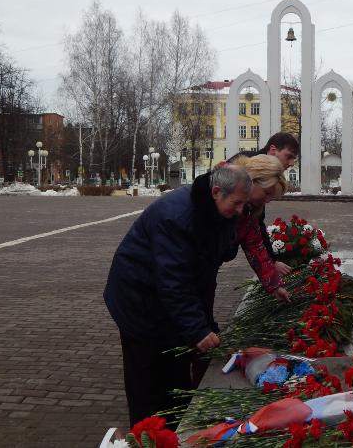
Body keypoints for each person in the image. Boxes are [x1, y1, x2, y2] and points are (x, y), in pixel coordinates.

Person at [103, 165, 252, 427]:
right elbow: (175, 282)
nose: (240, 211)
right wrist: (197, 329)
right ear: (217, 192)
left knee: (176, 373)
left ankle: (175, 427)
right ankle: (147, 435)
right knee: (148, 381)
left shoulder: (218, 213)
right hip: (138, 300)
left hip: (164, 299)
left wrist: (205, 327)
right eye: (237, 203)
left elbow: (206, 274)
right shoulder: (177, 217)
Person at [228, 132, 299, 276]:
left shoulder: (267, 173)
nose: (291, 163)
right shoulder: (245, 166)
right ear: (273, 150)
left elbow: (256, 224)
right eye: (289, 156)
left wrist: (271, 262)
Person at [231, 154, 291, 302]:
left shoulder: (249, 211)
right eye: (267, 193)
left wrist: (275, 287)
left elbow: (256, 247)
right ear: (253, 180)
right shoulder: (225, 199)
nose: (268, 200)